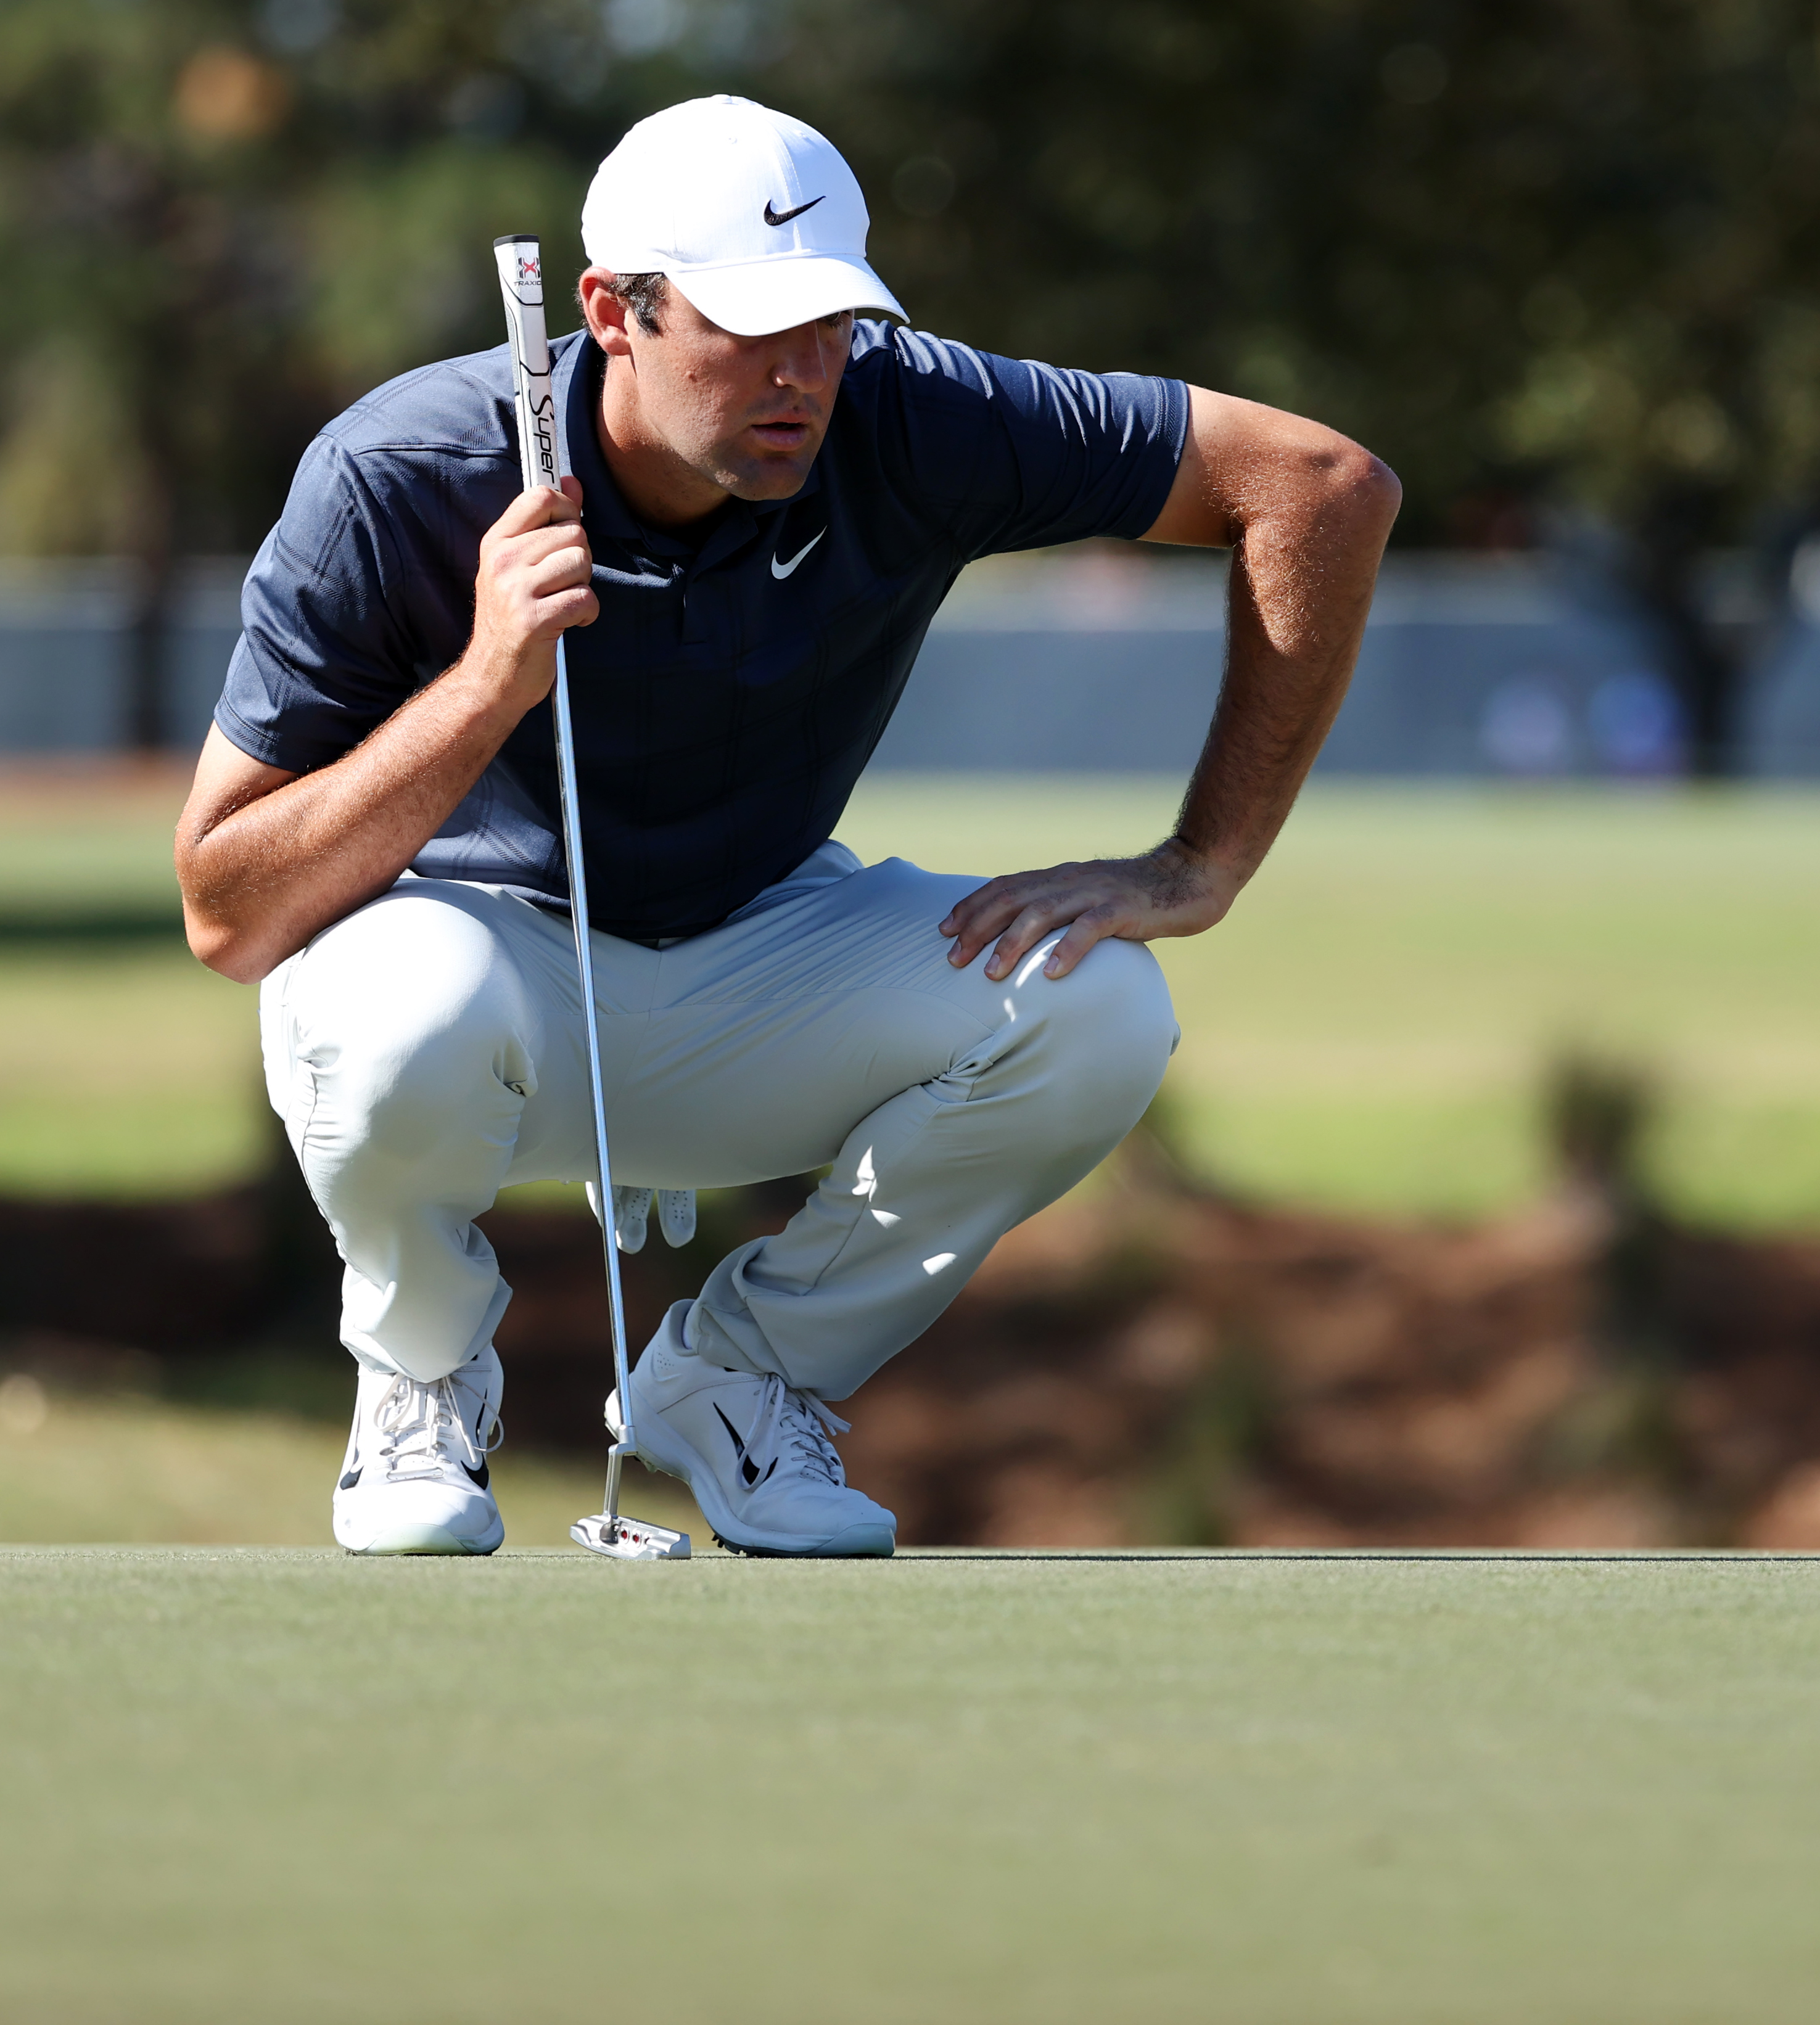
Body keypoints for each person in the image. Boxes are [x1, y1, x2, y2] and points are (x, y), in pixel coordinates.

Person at [170, 96, 1399, 1557]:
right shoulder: (401, 471)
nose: (804, 374)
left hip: (759, 961)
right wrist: (485, 685)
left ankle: (745, 1377)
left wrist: (1203, 862)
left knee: (1099, 1008)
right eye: (752, 329)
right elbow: (228, 909)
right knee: (397, 1009)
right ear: (613, 314)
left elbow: (1322, 486)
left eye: (830, 325)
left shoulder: (912, 414)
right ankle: (423, 1376)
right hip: (479, 983)